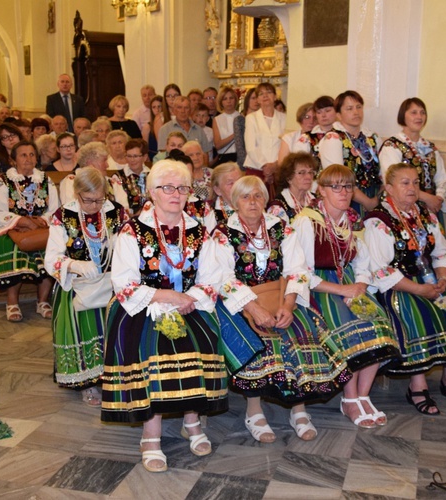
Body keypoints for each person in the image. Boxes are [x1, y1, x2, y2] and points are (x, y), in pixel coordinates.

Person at [201, 175, 350, 443]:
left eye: (258, 196)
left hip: (280, 298)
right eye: (245, 197)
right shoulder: (222, 234)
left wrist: (289, 306)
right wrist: (255, 309)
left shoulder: (282, 229)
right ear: (235, 202)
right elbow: (223, 278)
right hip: (241, 303)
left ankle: (299, 409)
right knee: (256, 341)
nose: (252, 202)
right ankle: (254, 411)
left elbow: (297, 271)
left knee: (299, 334)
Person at [102, 159, 226, 473]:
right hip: (144, 307)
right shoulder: (132, 231)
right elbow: (124, 283)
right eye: (166, 187)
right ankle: (151, 434)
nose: (175, 193)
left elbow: (212, 278)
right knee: (153, 351)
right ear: (151, 193)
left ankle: (192, 422)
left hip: (189, 304)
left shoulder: (199, 231)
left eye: (182, 187)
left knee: (201, 343)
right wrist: (168, 297)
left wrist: (190, 299)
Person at [364, 162, 446, 415]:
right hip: (397, 287)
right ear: (389, 188)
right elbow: (380, 270)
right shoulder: (378, 221)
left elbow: (443, 251)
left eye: (416, 182)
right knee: (417, 313)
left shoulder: (426, 215)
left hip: (428, 281)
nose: (412, 188)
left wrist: (443, 279)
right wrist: (417, 290)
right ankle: (417, 386)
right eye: (405, 183)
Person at [291, 165, 400, 427]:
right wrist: (343, 290)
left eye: (348, 186)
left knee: (378, 325)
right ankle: (349, 398)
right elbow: (301, 273)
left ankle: (363, 396)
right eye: (335, 187)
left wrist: (360, 287)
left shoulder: (350, 220)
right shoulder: (307, 221)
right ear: (322, 191)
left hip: (349, 283)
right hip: (321, 288)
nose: (343, 192)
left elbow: (362, 262)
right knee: (350, 330)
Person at [45, 167, 127, 406]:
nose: (94, 205)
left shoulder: (116, 212)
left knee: (112, 333)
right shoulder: (63, 216)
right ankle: (87, 383)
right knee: (86, 331)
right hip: (77, 287)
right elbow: (51, 259)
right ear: (77, 193)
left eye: (99, 199)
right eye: (88, 200)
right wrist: (73, 264)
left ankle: (112, 378)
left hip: (111, 284)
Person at [0, 141, 60, 322]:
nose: (28, 159)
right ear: (14, 160)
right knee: (13, 249)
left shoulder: (46, 180)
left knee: (52, 250)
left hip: (41, 227)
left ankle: (42, 302)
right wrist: (22, 221)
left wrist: (41, 221)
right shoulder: (4, 182)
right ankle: (12, 303)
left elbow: (56, 210)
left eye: (32, 154)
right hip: (11, 229)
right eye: (23, 155)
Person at [380, 98, 446, 223]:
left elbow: (441, 178)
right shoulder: (392, 145)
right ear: (403, 116)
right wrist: (427, 198)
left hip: (431, 208)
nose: (419, 116)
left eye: (422, 112)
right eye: (414, 112)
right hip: (404, 209)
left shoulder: (430, 147)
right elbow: (391, 180)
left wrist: (438, 197)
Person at [319, 90, 382, 216]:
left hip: (375, 197)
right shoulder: (333, 138)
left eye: (359, 107)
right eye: (349, 108)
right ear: (339, 114)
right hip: (347, 199)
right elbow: (337, 178)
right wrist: (367, 202)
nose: (356, 112)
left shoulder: (372, 137)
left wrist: (377, 198)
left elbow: (384, 173)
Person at [243, 83, 285, 198]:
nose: (265, 96)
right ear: (257, 100)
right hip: (257, 169)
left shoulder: (284, 118)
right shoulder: (251, 118)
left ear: (275, 97)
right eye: (261, 94)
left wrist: (275, 165)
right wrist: (265, 166)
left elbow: (286, 145)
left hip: (278, 170)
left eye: (269, 92)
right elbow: (251, 147)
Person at [58, 142, 129, 208]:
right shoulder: (71, 181)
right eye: (104, 160)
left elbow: (124, 207)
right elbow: (70, 208)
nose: (107, 165)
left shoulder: (112, 182)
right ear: (90, 163)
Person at [267, 152, 318, 224]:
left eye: (310, 172)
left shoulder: (317, 201)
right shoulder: (278, 206)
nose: (308, 177)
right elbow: (278, 234)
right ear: (289, 178)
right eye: (302, 172)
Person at [202, 161, 243, 233]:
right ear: (217, 190)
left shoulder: (254, 205)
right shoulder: (212, 215)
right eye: (230, 183)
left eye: (240, 181)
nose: (238, 186)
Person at [120, 138, 150, 216]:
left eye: (136, 156)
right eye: (129, 156)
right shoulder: (119, 177)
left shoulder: (152, 175)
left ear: (145, 157)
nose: (132, 160)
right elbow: (120, 204)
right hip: (129, 218)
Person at [212, 86, 240, 165]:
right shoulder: (217, 119)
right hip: (224, 157)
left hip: (239, 157)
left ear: (235, 100)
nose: (229, 101)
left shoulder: (241, 117)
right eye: (225, 99)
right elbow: (217, 145)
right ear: (221, 102)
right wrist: (235, 135)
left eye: (231, 98)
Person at [233, 87, 260, 167]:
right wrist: (245, 163)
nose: (256, 101)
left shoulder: (262, 119)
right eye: (253, 98)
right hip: (246, 162)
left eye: (257, 98)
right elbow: (239, 144)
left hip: (260, 161)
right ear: (247, 100)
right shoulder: (240, 119)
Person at [143, 95, 163, 160]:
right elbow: (145, 147)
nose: (157, 110)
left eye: (159, 106)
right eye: (154, 107)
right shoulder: (147, 126)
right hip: (153, 157)